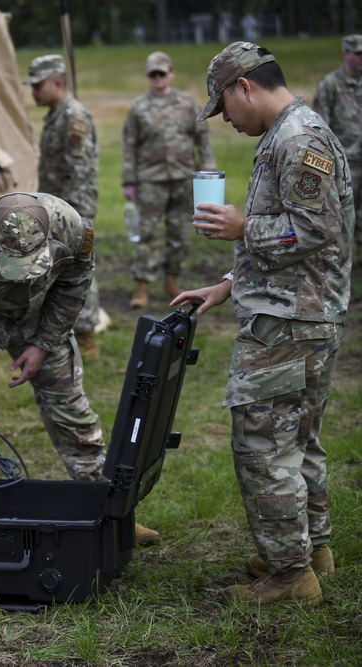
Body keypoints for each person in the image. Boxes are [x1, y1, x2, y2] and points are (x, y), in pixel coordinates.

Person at [175, 41, 353, 605]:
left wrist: (241, 227)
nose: (226, 119)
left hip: (289, 323)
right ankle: (310, 550)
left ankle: (289, 576)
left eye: (224, 106)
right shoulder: (288, 133)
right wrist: (228, 285)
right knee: (299, 439)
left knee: (263, 446)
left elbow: (315, 230)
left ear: (243, 86)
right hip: (295, 312)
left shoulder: (299, 138)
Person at [0, 193, 159, 573]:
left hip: (37, 314)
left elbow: (76, 282)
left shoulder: (71, 227)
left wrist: (44, 342)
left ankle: (112, 513)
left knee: (70, 407)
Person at [122, 51, 216, 308]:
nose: (158, 78)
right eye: (153, 74)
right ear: (148, 77)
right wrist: (128, 181)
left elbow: (202, 139)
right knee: (148, 234)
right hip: (150, 180)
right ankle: (142, 287)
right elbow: (129, 145)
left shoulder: (187, 103)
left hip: (183, 177)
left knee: (179, 232)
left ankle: (171, 279)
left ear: (171, 74)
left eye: (162, 73)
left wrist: (208, 173)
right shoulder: (139, 107)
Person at [26, 54, 102, 359]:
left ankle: (86, 335)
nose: (33, 92)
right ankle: (66, 328)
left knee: (80, 269)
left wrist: (70, 218)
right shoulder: (58, 115)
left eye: (38, 85)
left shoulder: (73, 117)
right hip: (59, 209)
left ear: (57, 82)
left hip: (73, 211)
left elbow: (79, 172)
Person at [313, 34, 362, 256]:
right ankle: (340, 257)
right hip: (347, 163)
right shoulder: (330, 85)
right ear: (345, 54)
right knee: (341, 214)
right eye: (358, 54)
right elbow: (320, 127)